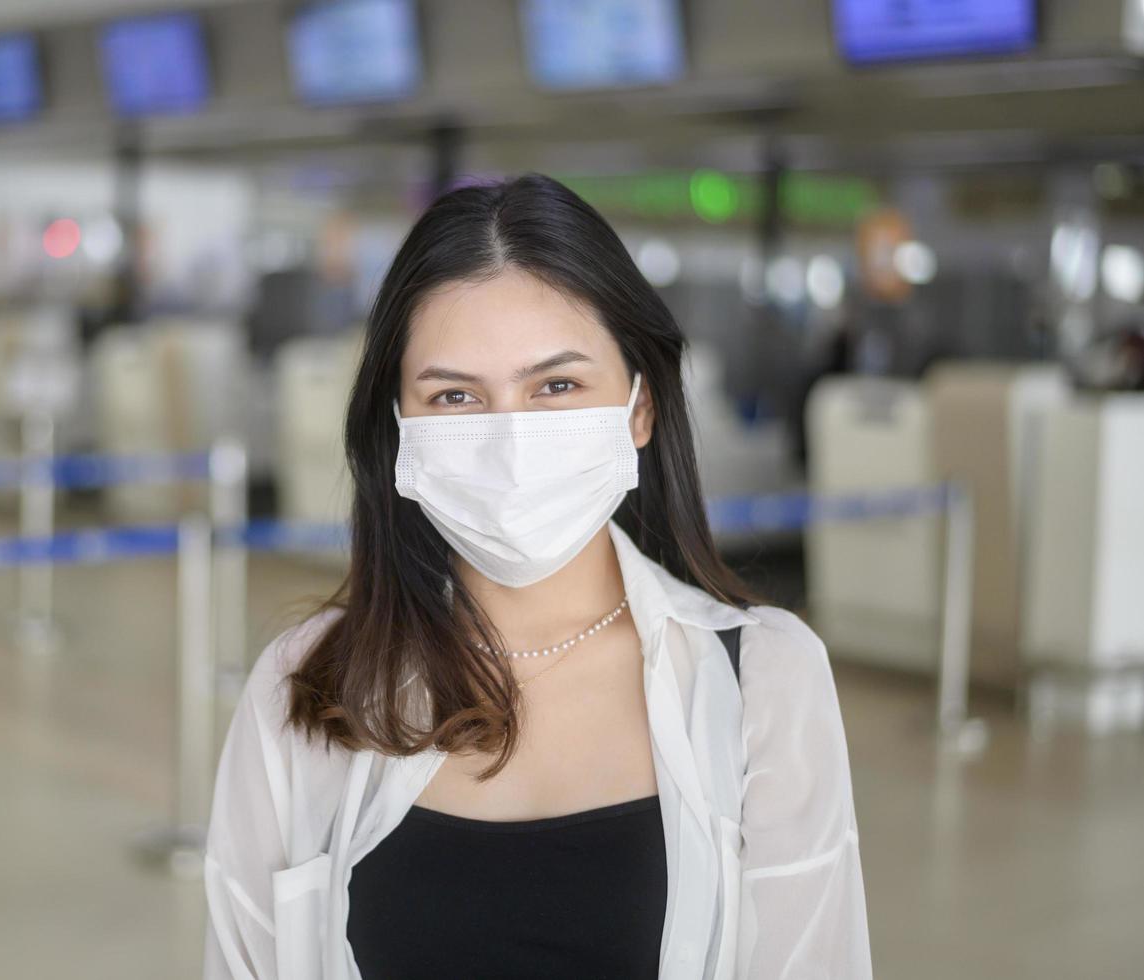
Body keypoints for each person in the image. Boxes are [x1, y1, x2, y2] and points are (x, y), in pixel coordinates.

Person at [202, 173, 872, 979]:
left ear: (640, 407)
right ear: (397, 425)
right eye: (454, 395)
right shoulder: (306, 687)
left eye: (556, 385)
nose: (509, 440)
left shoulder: (764, 678)